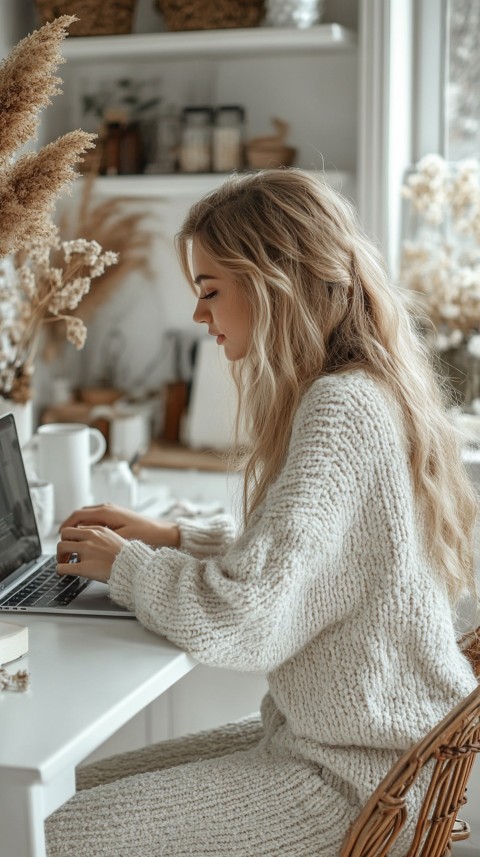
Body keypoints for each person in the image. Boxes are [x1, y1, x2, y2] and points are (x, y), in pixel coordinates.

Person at [47, 169, 478, 857]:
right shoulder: (361, 387)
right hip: (364, 751)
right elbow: (316, 566)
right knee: (58, 794)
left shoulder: (340, 407)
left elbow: (243, 620)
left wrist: (126, 566)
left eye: (209, 291)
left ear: (274, 279)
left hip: (356, 779)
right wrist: (174, 538)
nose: (199, 316)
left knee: (48, 830)